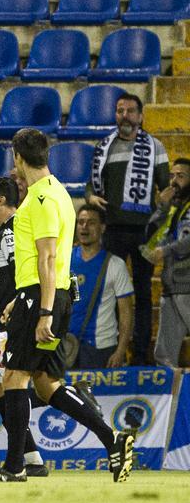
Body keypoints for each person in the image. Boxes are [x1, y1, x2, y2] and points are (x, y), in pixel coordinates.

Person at [0, 128, 133, 483]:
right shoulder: (59, 192)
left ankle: (15, 467)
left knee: (13, 378)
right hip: (47, 295)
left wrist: (41, 310)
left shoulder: (42, 198)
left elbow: (46, 257)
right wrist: (23, 300)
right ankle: (112, 440)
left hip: (42, 297)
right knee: (46, 383)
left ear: (17, 156)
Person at [86, 93, 169, 364]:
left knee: (143, 294)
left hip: (145, 231)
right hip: (112, 231)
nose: (124, 115)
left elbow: (165, 187)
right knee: (111, 292)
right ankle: (113, 350)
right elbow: (91, 185)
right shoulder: (104, 147)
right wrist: (90, 198)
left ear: (141, 116)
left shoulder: (155, 147)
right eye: (120, 110)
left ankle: (141, 354)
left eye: (130, 111)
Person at [0, 176, 49, 478]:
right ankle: (31, 459)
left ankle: (17, 463)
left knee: (17, 386)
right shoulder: (3, 232)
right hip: (7, 322)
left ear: (2, 200)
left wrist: (17, 308)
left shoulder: (13, 232)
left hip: (17, 321)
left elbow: (27, 275)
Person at [68, 205, 135, 369]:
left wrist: (120, 351)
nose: (84, 227)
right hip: (66, 345)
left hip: (100, 348)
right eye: (81, 222)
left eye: (91, 222)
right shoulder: (64, 259)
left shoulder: (115, 265)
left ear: (102, 228)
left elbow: (126, 313)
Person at [147, 158, 190, 368]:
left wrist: (165, 251)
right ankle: (168, 401)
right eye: (172, 176)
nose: (173, 181)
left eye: (180, 176)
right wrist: (162, 207)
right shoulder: (172, 208)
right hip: (171, 289)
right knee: (163, 357)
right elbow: (150, 236)